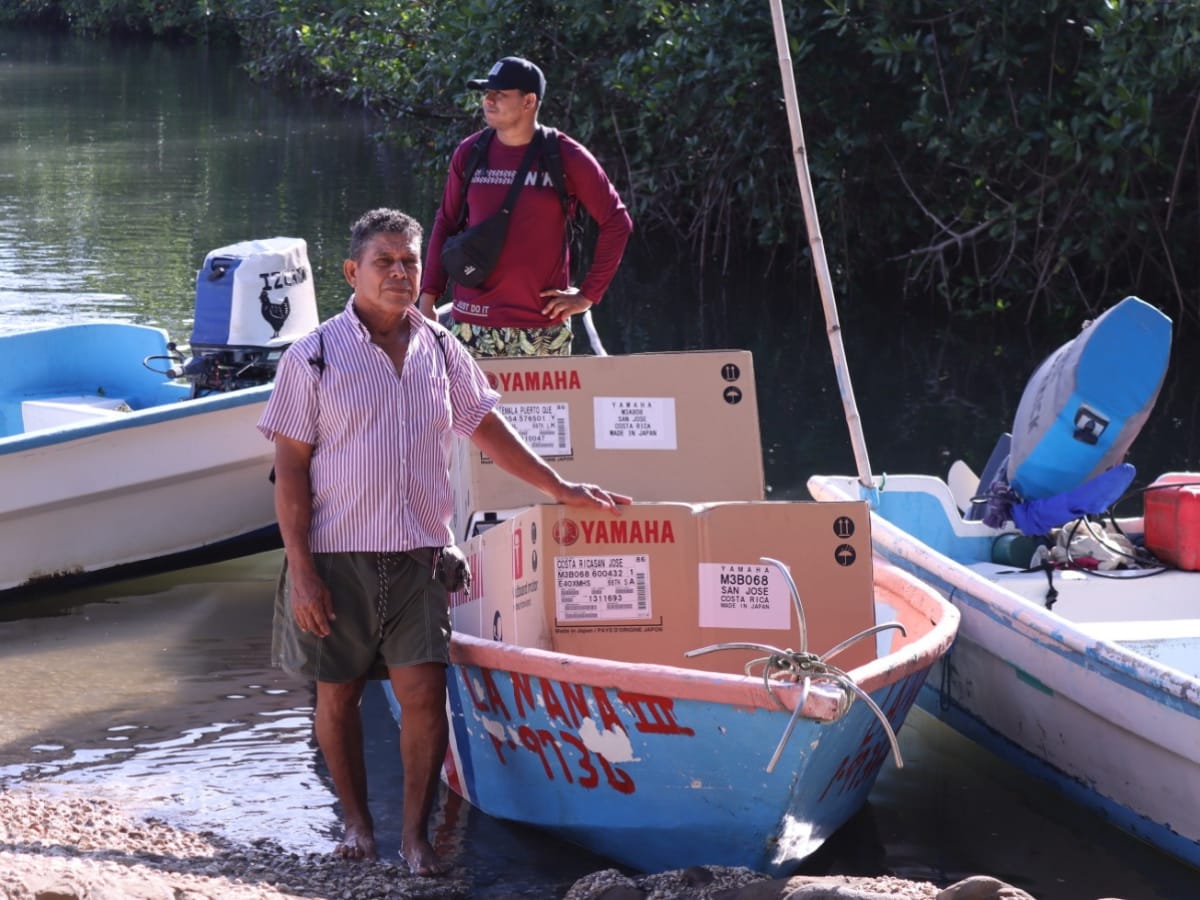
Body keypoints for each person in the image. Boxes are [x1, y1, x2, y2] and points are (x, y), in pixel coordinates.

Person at [258, 208, 631, 876]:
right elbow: (288, 470)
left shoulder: (440, 348)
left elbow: (486, 426)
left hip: (421, 557)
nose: (400, 274)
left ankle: (415, 838)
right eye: (385, 262)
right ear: (352, 272)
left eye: (409, 262)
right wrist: (302, 571)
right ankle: (356, 826)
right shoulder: (312, 356)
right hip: (336, 556)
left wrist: (560, 487)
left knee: (425, 699)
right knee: (337, 695)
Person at [419, 56, 632, 357]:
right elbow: (446, 222)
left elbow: (616, 221)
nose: (488, 101)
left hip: (542, 327)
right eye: (486, 93)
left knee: (548, 408)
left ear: (529, 101)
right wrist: (428, 299)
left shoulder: (566, 156)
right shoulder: (469, 153)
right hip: (470, 323)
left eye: (500, 95)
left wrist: (587, 295)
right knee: (469, 407)